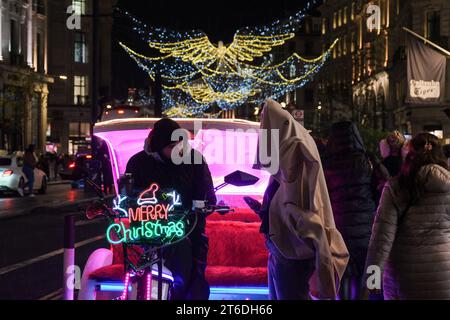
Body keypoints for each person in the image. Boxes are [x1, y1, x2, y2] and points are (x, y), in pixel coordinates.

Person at [252, 99, 349, 300]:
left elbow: (304, 204)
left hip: (292, 249)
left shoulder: (295, 150)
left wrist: (290, 215)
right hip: (282, 246)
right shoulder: (290, 149)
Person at [125, 118, 216, 300]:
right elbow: (129, 198)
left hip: (189, 230)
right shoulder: (138, 163)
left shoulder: (195, 160)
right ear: (158, 145)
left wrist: (203, 205)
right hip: (150, 232)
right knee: (141, 276)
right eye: (171, 146)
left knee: (191, 277)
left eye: (180, 144)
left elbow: (208, 195)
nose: (178, 150)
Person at [365, 133, 450, 300]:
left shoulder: (395, 187)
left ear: (408, 155)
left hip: (403, 278)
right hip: (443, 275)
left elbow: (381, 239)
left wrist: (371, 282)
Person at [322, 121, 382, 300]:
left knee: (344, 274)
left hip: (340, 229)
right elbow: (382, 187)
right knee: (372, 271)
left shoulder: (326, 164)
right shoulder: (368, 160)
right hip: (368, 229)